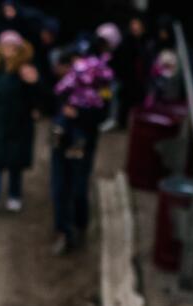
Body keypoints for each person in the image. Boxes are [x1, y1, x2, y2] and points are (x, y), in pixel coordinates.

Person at [48, 46, 113, 255]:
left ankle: (79, 225)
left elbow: (101, 116)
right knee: (59, 187)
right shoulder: (65, 87)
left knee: (77, 186)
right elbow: (50, 101)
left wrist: (78, 115)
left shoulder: (98, 92)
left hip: (80, 143)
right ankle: (63, 231)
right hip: (61, 141)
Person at [0, 30, 42, 218]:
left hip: (19, 122)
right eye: (6, 46)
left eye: (13, 47)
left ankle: (14, 194)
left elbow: (38, 95)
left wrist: (34, 86)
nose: (9, 50)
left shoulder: (26, 70)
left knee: (16, 161)